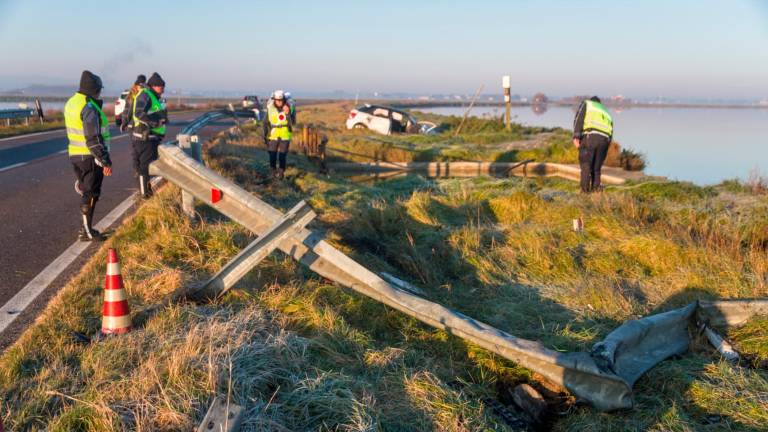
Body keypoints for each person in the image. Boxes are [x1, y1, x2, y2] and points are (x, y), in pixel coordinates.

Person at [64, 70, 113, 241]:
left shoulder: (71, 102)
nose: (100, 92)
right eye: (99, 89)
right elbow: (93, 137)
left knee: (88, 191)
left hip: (76, 154)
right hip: (89, 156)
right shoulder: (88, 106)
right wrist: (104, 159)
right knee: (91, 193)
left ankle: (86, 229)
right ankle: (87, 232)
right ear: (94, 89)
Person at [131, 72, 168, 198]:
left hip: (150, 137)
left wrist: (163, 118)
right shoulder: (146, 95)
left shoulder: (153, 97)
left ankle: (145, 191)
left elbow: (154, 112)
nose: (162, 89)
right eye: (160, 87)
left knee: (144, 167)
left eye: (163, 87)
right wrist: (155, 123)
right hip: (144, 137)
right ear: (153, 86)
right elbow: (139, 113)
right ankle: (145, 195)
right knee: (144, 168)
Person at [572, 96, 613, 193]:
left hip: (590, 137)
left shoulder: (588, 104)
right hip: (605, 140)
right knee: (596, 168)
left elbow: (579, 118)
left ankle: (585, 193)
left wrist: (576, 136)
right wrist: (607, 145)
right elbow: (611, 130)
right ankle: (596, 191)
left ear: (592, 101)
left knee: (586, 165)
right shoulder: (606, 111)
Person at [262, 90, 293, 179]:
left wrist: (288, 114)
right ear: (274, 100)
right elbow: (265, 122)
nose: (279, 102)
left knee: (282, 155)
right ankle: (272, 172)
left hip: (285, 135)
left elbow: (292, 122)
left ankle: (281, 173)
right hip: (273, 135)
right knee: (272, 155)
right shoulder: (270, 109)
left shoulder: (288, 108)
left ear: (283, 99)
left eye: (281, 100)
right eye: (277, 100)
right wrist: (265, 135)